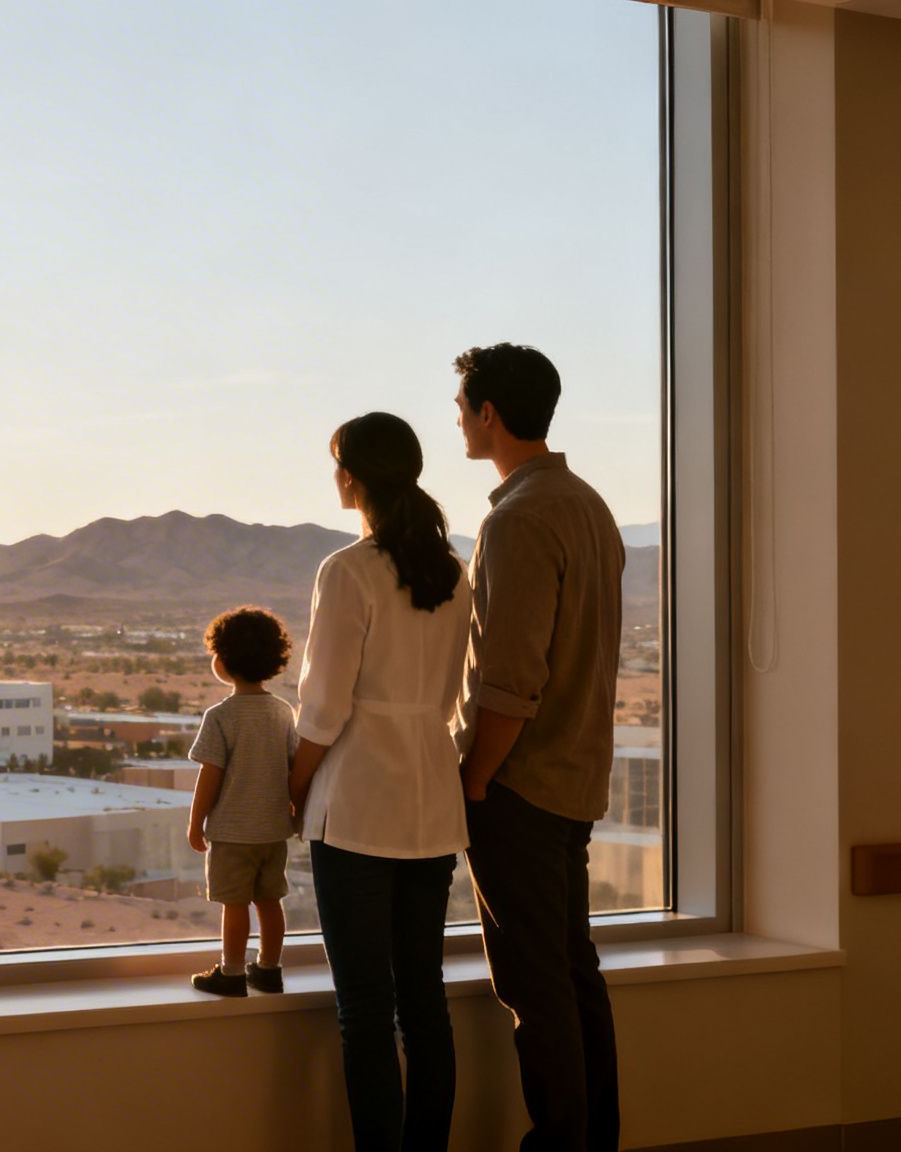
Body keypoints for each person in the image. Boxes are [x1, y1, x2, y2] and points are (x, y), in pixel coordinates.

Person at [451, 343, 625, 1152]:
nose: (457, 418)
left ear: (489, 414)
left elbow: (510, 679)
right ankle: (593, 1137)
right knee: (572, 971)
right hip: (576, 779)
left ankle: (559, 1142)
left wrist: (475, 780)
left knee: (536, 984)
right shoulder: (588, 504)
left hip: (521, 786)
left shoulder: (516, 518)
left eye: (463, 405)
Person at [289, 412, 472, 1152]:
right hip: (431, 803)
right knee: (423, 1001)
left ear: (354, 478)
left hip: (359, 807)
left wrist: (295, 787)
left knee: (365, 1007)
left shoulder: (348, 571)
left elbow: (323, 706)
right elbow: (454, 699)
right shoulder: (450, 572)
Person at [185, 605, 297, 996]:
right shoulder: (283, 712)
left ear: (224, 660)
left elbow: (210, 774)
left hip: (233, 833)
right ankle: (269, 969)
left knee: (235, 904)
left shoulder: (221, 716)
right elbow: (294, 768)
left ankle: (232, 973)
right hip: (272, 831)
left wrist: (196, 821)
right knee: (270, 901)